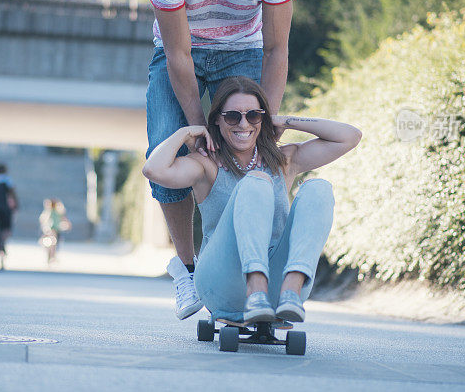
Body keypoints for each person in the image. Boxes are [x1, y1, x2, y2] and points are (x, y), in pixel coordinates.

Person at [147, 0, 295, 320]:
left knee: (246, 156)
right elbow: (178, 54)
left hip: (243, 50)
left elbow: (276, 48)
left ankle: (238, 265)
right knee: (167, 148)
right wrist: (197, 128)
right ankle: (189, 269)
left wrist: (265, 119)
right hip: (183, 50)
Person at [143, 76, 362, 325]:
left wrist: (285, 121)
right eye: (233, 116)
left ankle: (292, 288)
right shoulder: (207, 165)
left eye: (254, 116)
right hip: (222, 283)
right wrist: (185, 133)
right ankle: (255, 286)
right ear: (217, 119)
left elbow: (350, 137)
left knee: (319, 189)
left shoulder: (284, 161)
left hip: (277, 288)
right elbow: (154, 170)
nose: (243, 123)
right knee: (256, 182)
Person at [38, 198, 71, 264]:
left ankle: (52, 256)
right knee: (51, 244)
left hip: (55, 230)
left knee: (53, 244)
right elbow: (43, 220)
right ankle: (51, 256)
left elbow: (64, 219)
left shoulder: (57, 213)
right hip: (50, 231)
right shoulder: (48, 212)